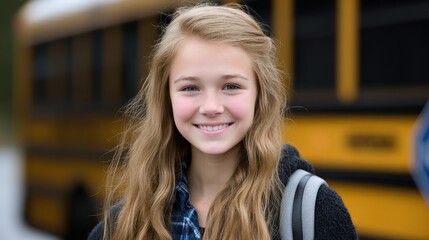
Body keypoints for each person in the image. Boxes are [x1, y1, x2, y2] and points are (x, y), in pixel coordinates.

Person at [88, 3, 357, 240]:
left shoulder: (312, 212)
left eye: (230, 86)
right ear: (165, 97)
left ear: (260, 94)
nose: (211, 107)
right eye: (190, 88)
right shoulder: (125, 224)